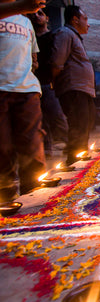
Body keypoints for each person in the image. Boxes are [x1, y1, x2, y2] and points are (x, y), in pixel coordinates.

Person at [0, 2, 46, 202]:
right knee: (3, 147)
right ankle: (6, 199)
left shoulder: (26, 22)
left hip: (26, 89)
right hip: (1, 89)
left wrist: (29, 68)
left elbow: (33, 57)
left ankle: (35, 197)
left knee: (32, 146)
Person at [51, 5, 95, 165]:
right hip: (74, 88)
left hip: (83, 90)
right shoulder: (65, 33)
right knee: (78, 126)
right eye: (85, 19)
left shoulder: (74, 36)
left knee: (86, 123)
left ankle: (79, 159)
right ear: (75, 19)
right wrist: (54, 83)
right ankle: (73, 163)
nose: (88, 24)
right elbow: (57, 62)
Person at [27, 9, 68, 159]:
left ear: (47, 18)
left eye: (40, 14)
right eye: (34, 14)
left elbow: (58, 60)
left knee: (56, 114)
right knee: (40, 118)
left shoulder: (53, 37)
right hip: (31, 82)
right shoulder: (30, 37)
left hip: (48, 82)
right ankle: (46, 149)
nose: (36, 16)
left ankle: (67, 143)